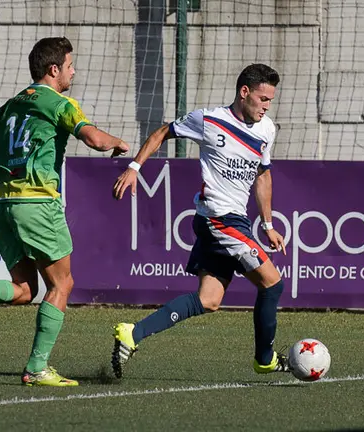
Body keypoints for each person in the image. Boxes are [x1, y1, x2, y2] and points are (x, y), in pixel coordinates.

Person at [0, 36, 130, 387]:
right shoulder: (61, 104)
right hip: (36, 202)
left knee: (24, 289)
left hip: (1, 204)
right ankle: (37, 368)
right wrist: (119, 142)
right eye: (69, 65)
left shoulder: (11, 105)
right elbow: (94, 139)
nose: (73, 71)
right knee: (63, 283)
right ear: (54, 70)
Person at [111, 63, 289, 378]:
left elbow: (263, 176)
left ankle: (132, 333)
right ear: (244, 92)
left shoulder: (266, 130)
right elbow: (163, 131)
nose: (266, 106)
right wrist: (135, 168)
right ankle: (265, 359)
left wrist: (269, 225)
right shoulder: (209, 120)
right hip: (218, 219)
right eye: (262, 98)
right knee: (272, 283)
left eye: (270, 101)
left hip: (236, 221)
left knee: (209, 300)